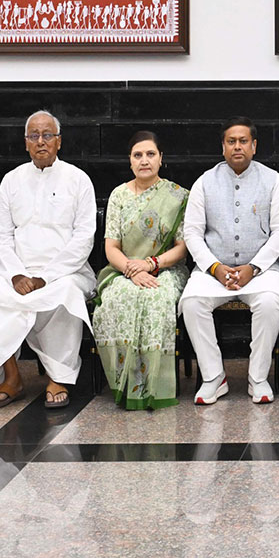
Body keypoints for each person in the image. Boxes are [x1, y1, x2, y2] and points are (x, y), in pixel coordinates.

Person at [0, 111, 98, 410]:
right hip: (19, 272)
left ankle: (58, 377)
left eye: (47, 135)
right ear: (25, 143)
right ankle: (11, 377)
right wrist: (15, 275)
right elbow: (2, 237)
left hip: (66, 272)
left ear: (59, 141)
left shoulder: (78, 180)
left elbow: (83, 239)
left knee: (64, 295)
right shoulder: (11, 181)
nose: (41, 141)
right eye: (34, 136)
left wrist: (45, 278)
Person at [179, 117, 279, 405]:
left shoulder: (273, 181)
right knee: (191, 303)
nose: (237, 146)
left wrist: (253, 268)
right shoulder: (205, 182)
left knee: (268, 303)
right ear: (223, 147)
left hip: (260, 269)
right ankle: (214, 377)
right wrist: (214, 267)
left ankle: (258, 378)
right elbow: (191, 232)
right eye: (231, 141)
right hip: (214, 268)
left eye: (243, 141)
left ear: (254, 146)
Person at [91, 131, 190, 411]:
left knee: (156, 299)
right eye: (138, 155)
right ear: (130, 161)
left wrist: (151, 265)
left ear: (161, 159)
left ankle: (154, 388)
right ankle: (128, 385)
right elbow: (111, 247)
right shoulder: (119, 195)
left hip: (166, 268)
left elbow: (182, 248)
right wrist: (132, 270)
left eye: (150, 154)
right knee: (119, 300)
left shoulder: (177, 196)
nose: (144, 160)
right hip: (122, 269)